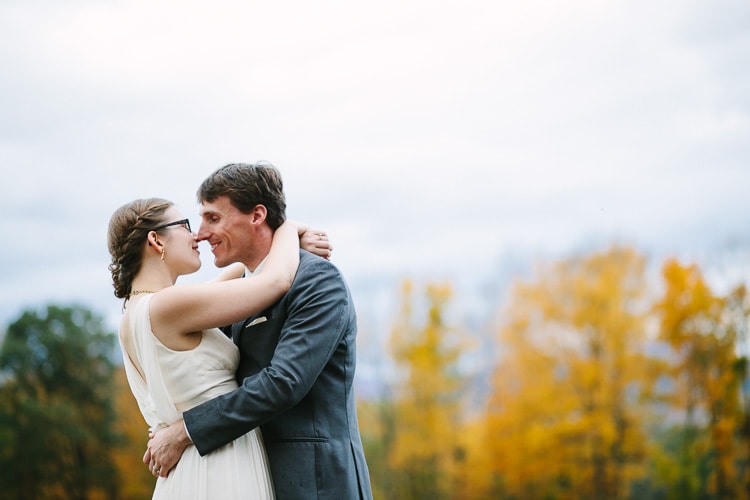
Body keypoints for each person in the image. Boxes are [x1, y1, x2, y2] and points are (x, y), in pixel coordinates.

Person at [144, 162, 374, 499]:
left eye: (213, 218)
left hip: (315, 482)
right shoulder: (239, 292)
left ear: (256, 216)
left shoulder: (318, 281)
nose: (200, 233)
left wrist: (186, 432)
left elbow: (284, 382)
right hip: (249, 479)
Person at [107, 197, 331, 499]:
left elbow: (239, 273)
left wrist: (280, 242)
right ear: (155, 240)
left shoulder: (135, 314)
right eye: (185, 225)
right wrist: (289, 228)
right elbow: (276, 281)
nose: (196, 235)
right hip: (220, 464)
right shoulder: (169, 306)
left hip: (187, 466)